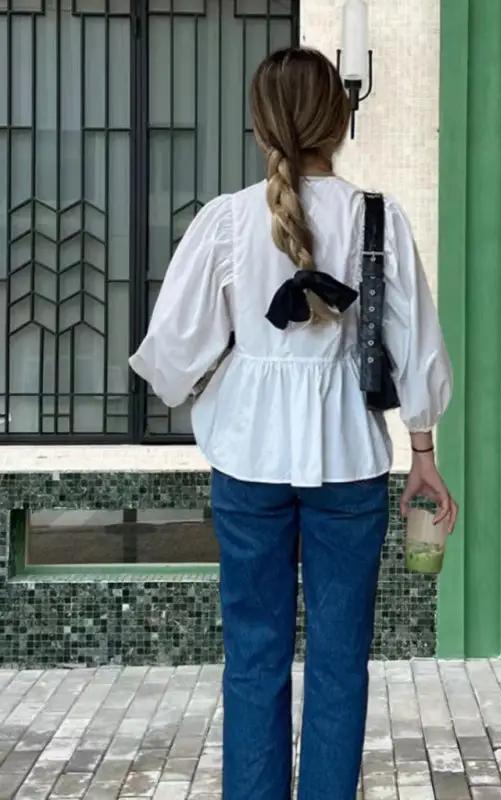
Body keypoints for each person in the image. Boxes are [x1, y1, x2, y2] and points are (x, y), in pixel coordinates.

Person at [129, 46, 458, 800]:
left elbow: (174, 357)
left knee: (253, 656)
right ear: (338, 122)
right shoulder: (379, 216)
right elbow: (417, 346)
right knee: (342, 662)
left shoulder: (224, 223)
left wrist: (230, 374)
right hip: (348, 463)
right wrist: (423, 452)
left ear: (260, 126)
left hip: (247, 461)